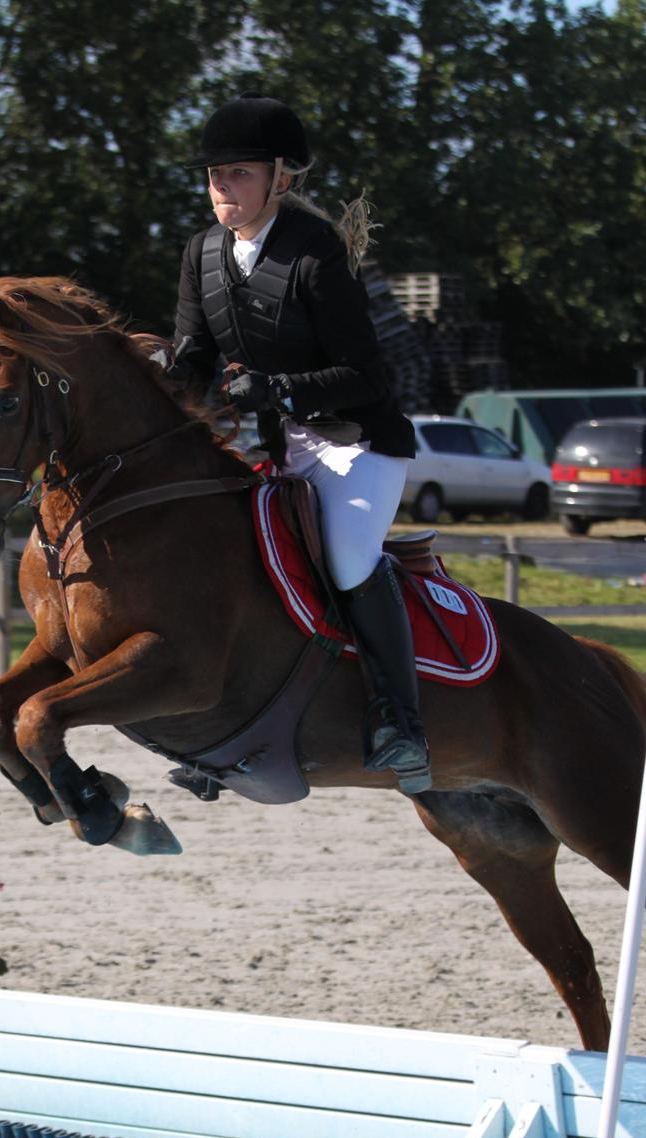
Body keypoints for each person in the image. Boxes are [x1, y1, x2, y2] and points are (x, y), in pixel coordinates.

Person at [170, 93, 431, 794]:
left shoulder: (319, 256)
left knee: (346, 563)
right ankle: (219, 726)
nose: (223, 188)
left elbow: (365, 375)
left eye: (240, 174)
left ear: (282, 178)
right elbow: (192, 358)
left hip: (355, 444)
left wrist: (281, 391)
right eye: (215, 176)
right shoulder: (201, 254)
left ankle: (398, 722)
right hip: (276, 451)